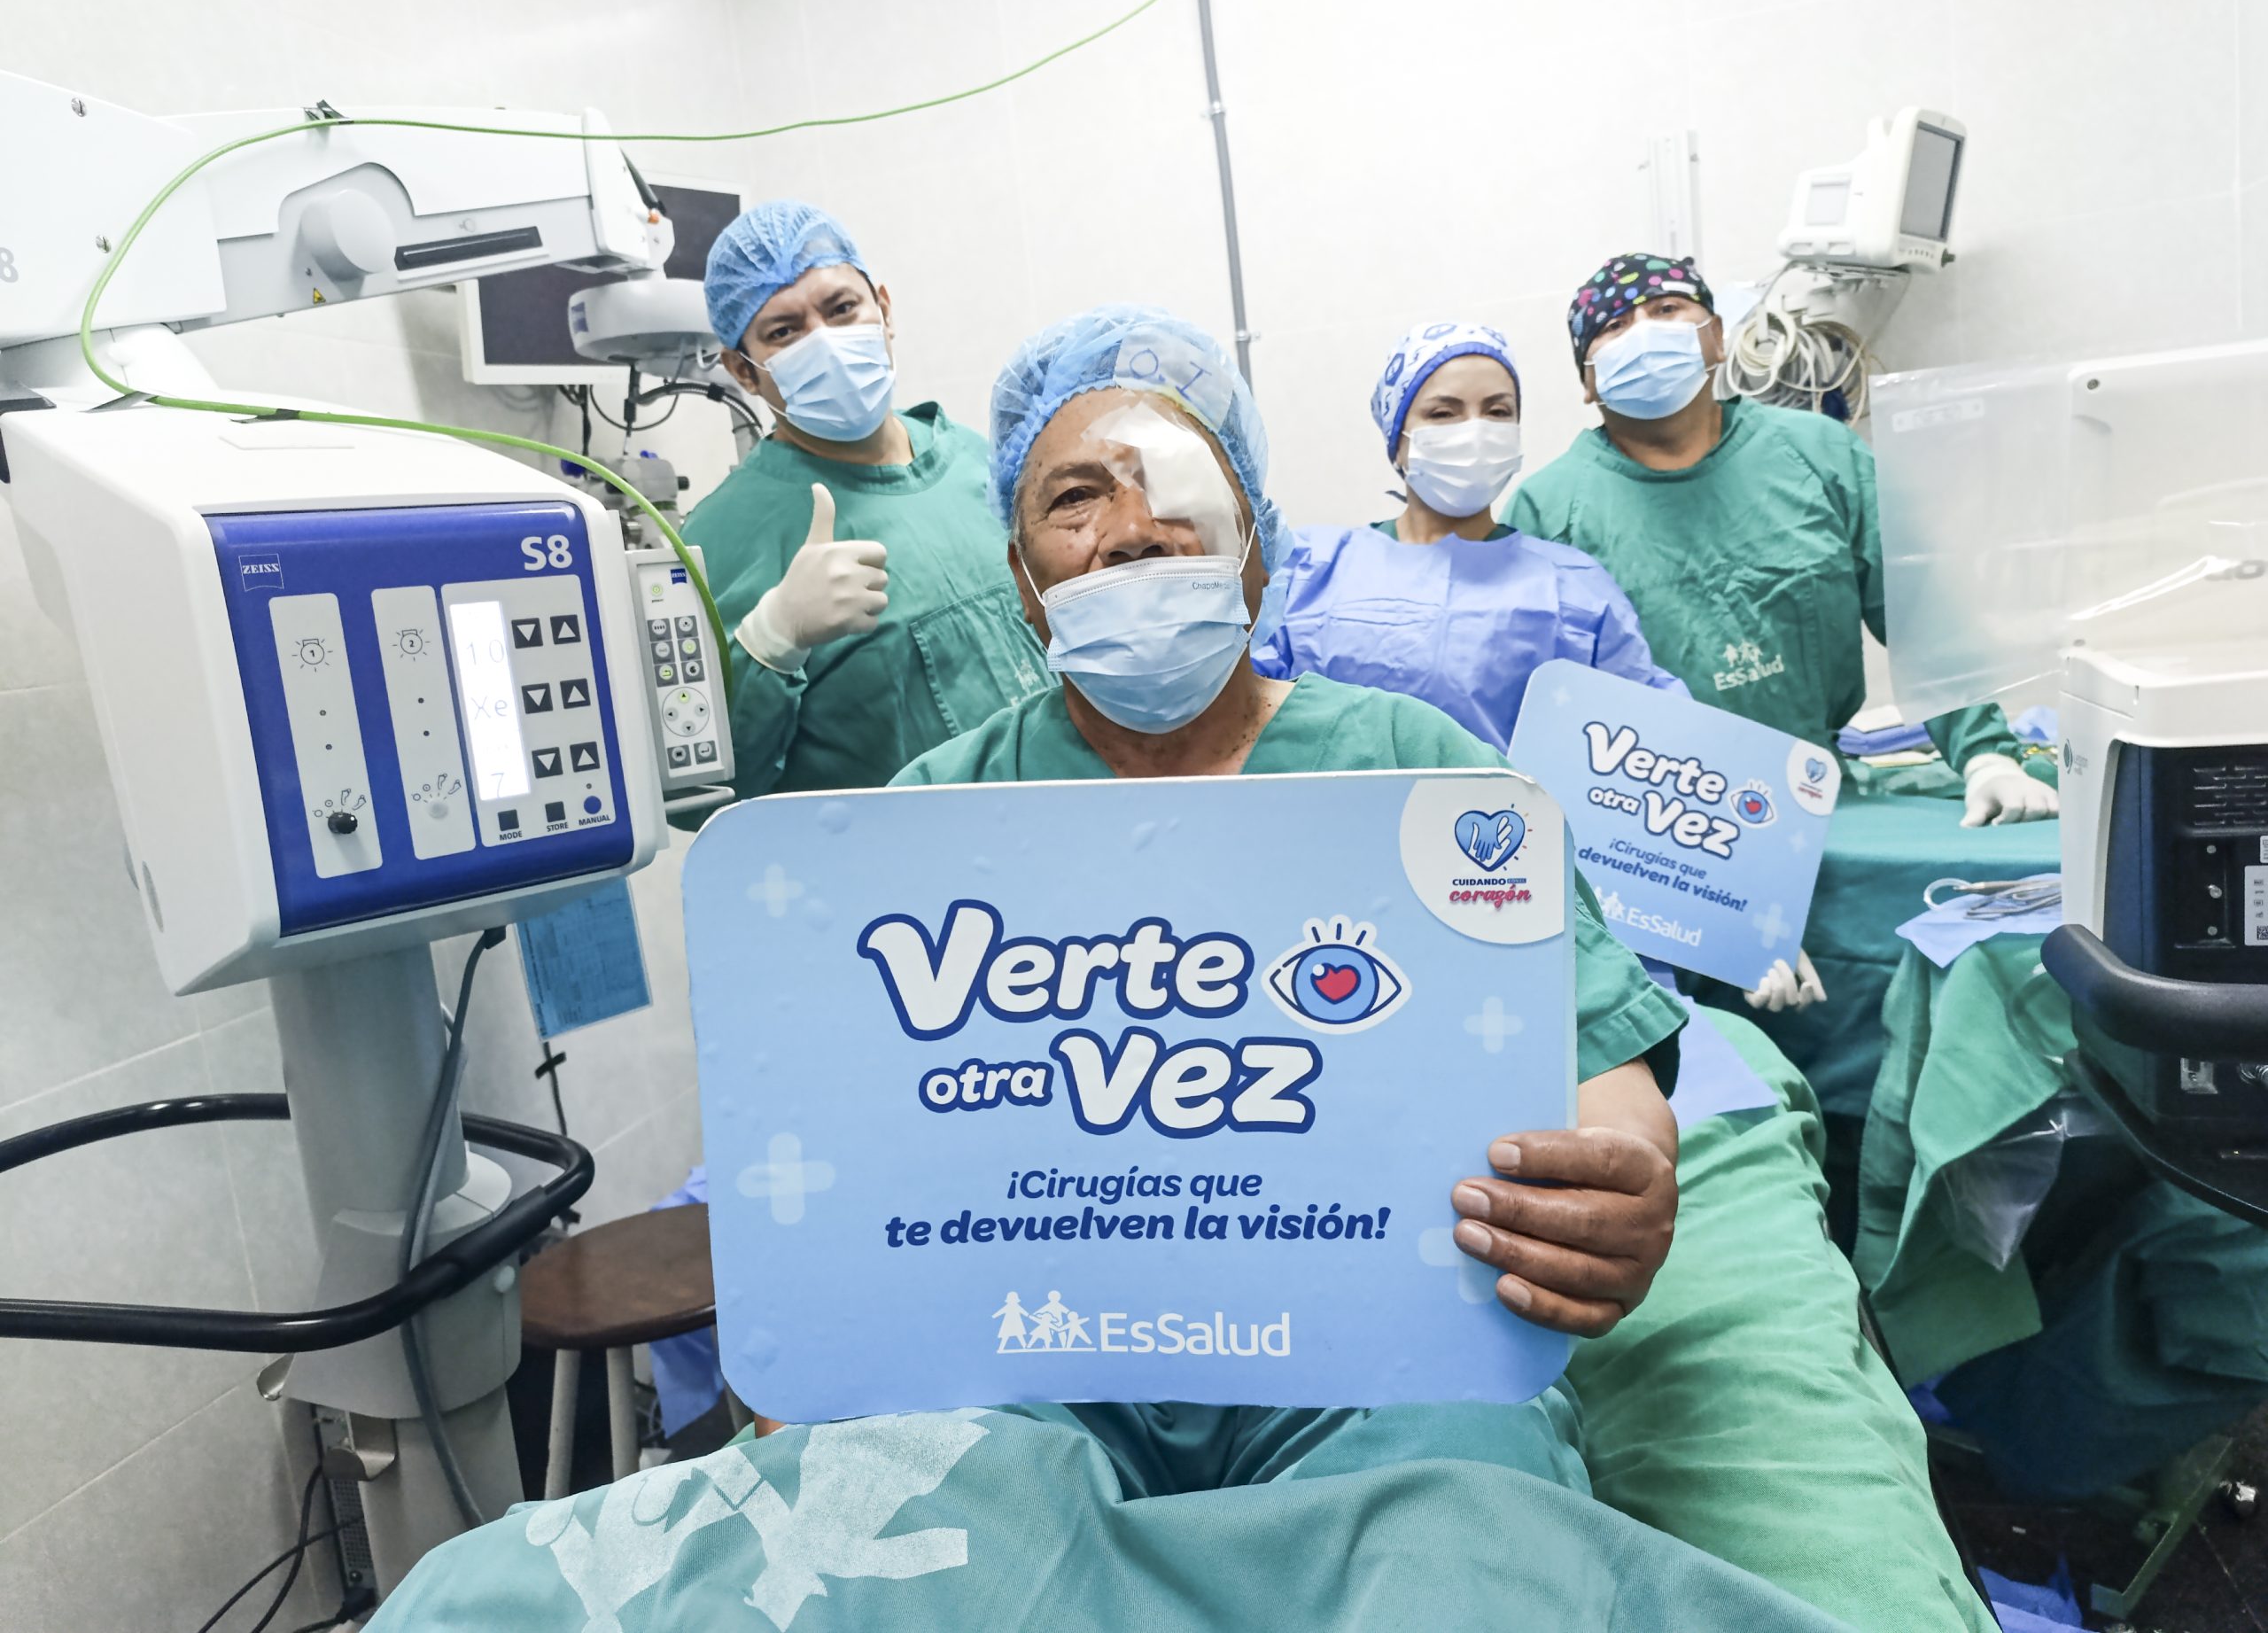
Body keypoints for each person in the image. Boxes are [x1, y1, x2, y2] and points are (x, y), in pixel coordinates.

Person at [369, 308, 1989, 1633]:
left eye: (1178, 494)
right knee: (923, 1556)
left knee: (1460, 1544)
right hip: (1026, 1366)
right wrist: (821, 1328)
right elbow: (853, 1158)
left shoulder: (1416, 773)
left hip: (1379, 1352)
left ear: (1257, 551)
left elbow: (1595, 1067)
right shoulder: (925, 821)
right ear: (1024, 578)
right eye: (1076, 498)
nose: (1133, 526)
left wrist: (1625, 1174)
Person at [1511, 253, 2058, 1014]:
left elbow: (1919, 613)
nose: (1643, 334)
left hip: (1820, 804)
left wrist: (1986, 751)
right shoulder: (1547, 511)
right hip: (1654, 840)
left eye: (1666, 311)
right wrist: (1706, 897)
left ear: (1715, 335)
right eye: (1613, 326)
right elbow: (1551, 734)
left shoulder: (1820, 456)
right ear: (1586, 381)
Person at [683, 199, 1048, 797]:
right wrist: (773, 641)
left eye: (842, 309)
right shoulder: (720, 538)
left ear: (883, 308)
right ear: (743, 371)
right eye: (784, 332)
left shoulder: (980, 460)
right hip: (903, 854)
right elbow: (704, 796)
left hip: (1069, 816)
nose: (825, 342)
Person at [1251, 321, 1682, 750]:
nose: (1475, 431)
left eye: (1498, 412)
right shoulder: (1312, 570)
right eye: (1443, 414)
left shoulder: (1574, 588)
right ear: (1397, 438)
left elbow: (1646, 742)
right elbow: (1247, 720)